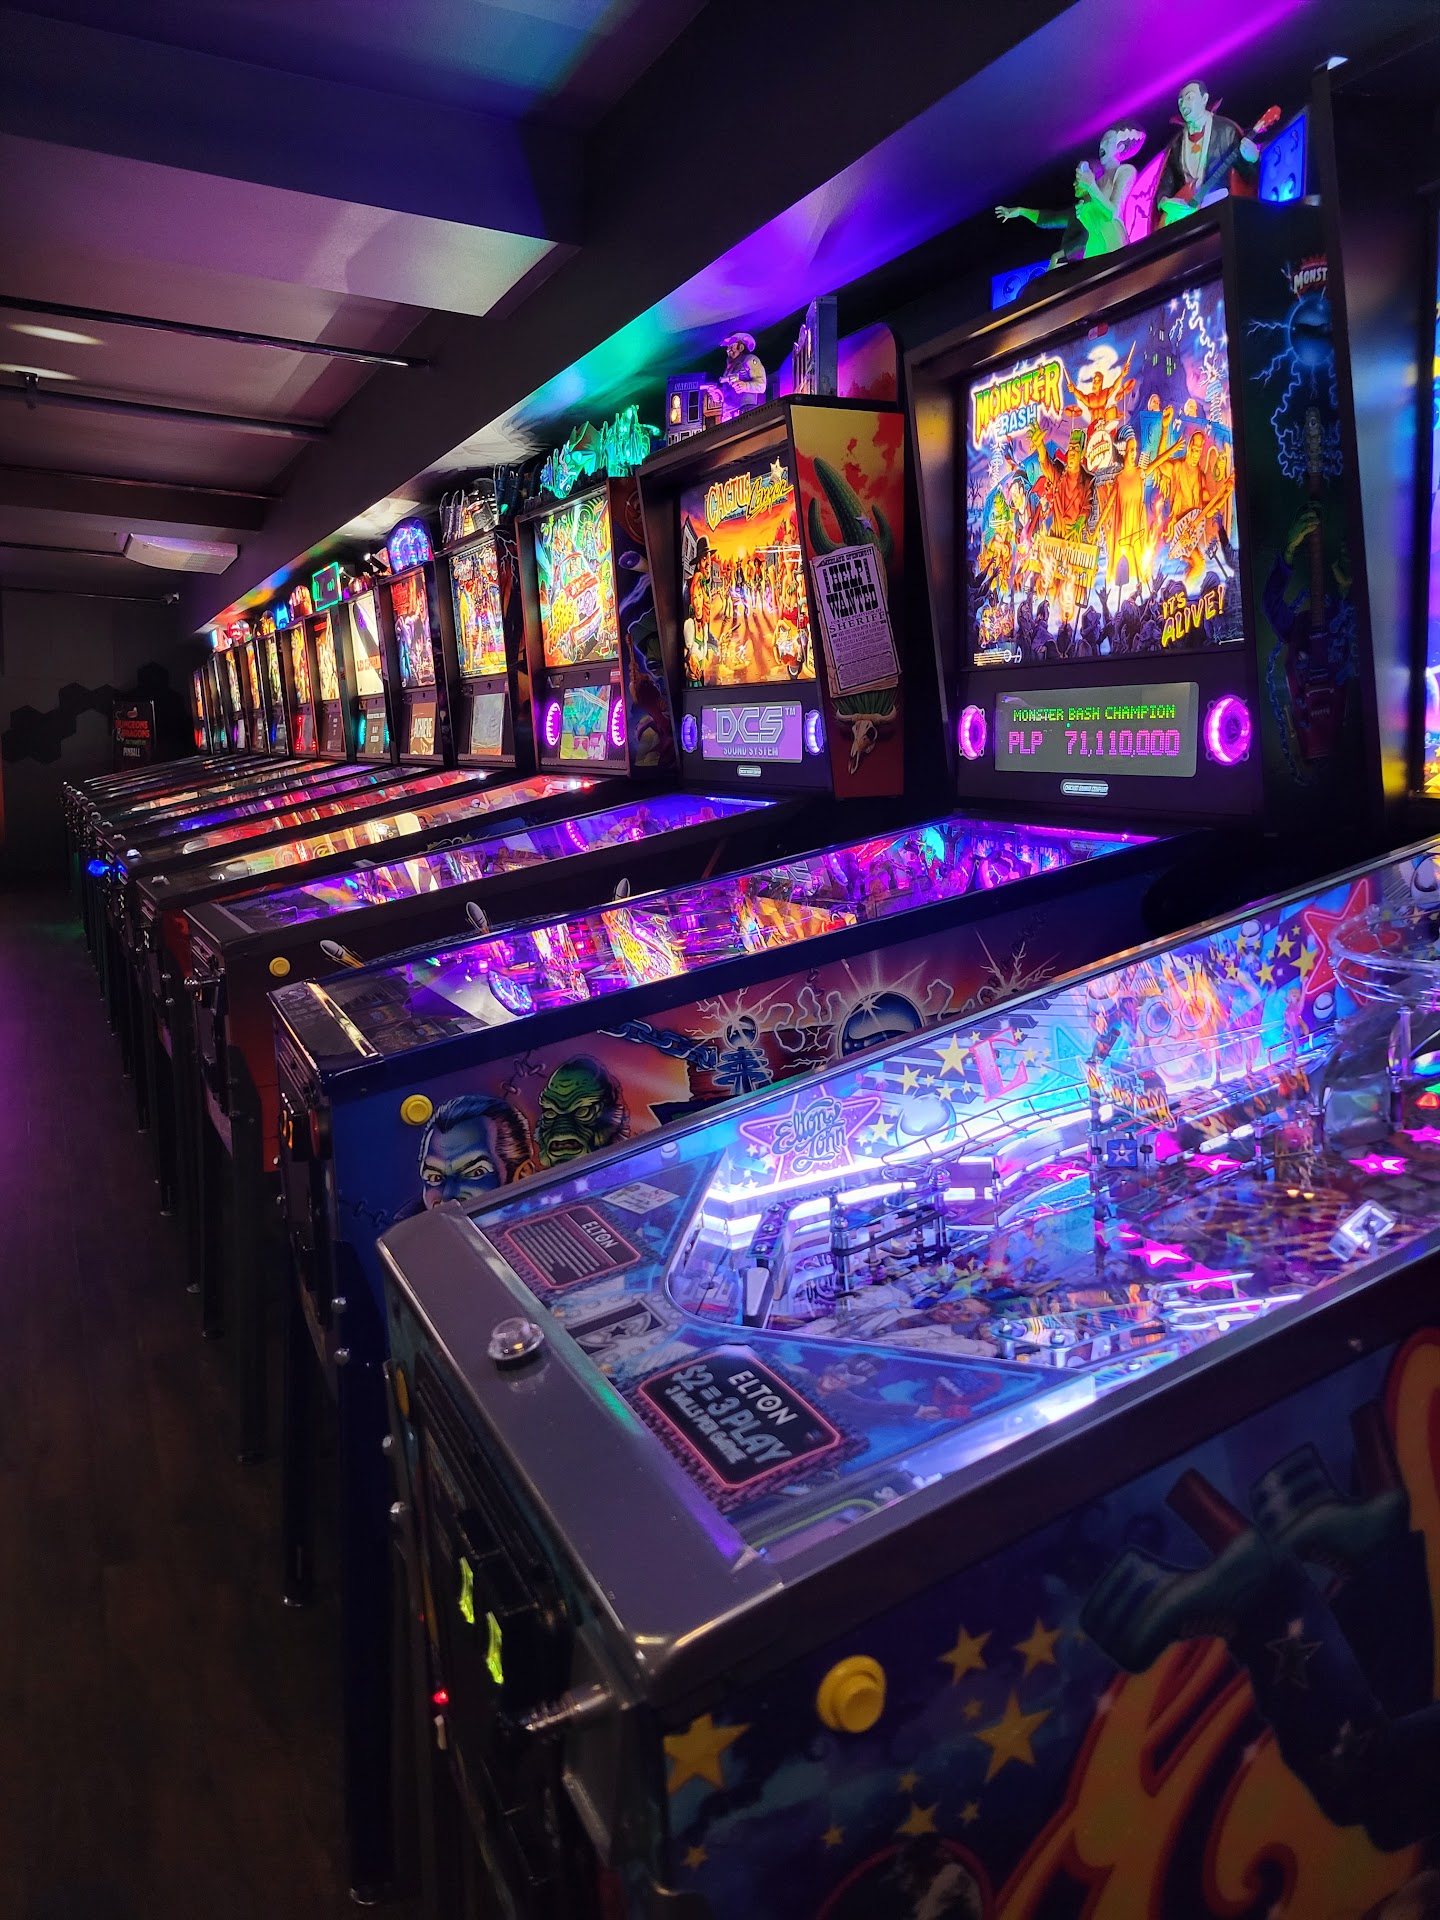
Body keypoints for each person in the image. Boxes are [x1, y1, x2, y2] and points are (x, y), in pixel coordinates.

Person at [1154, 82, 1260, 224]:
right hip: (1186, 214)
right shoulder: (1176, 144)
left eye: (1189, 98)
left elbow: (1246, 175)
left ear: (1204, 99)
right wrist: (1164, 201)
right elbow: (1167, 181)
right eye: (1180, 102)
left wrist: (1253, 159)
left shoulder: (1226, 130)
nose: (1184, 105)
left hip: (1219, 208)